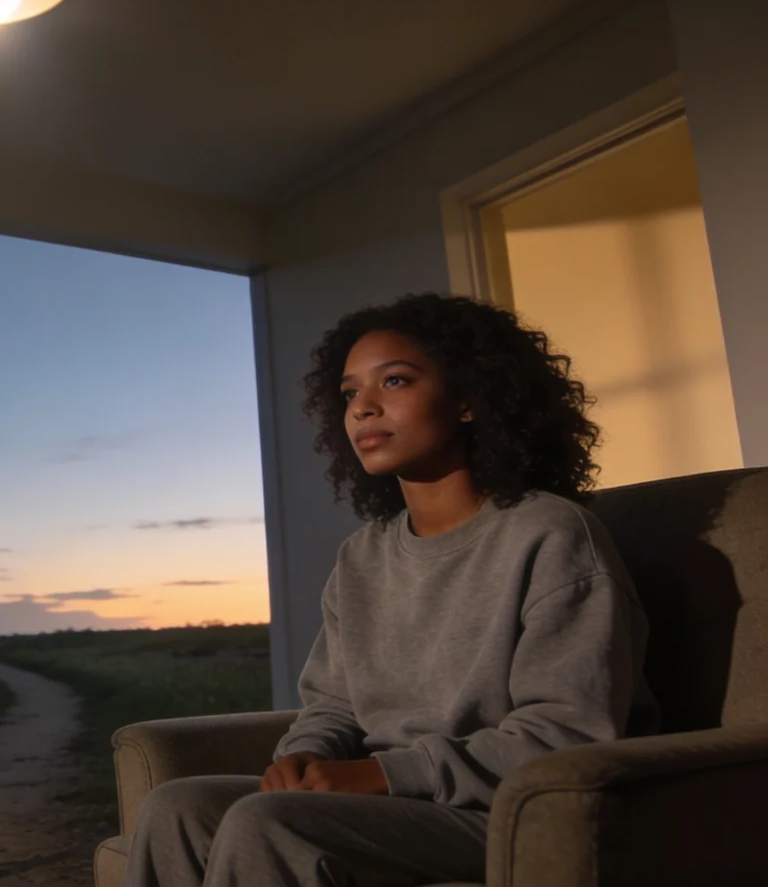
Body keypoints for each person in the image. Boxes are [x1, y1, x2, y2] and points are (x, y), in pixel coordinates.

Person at [126, 293, 658, 886]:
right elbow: (333, 703)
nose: (363, 409)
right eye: (350, 393)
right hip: (392, 801)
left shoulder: (551, 534)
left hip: (510, 811)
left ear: (468, 399)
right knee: (178, 807)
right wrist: (305, 756)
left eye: (395, 381)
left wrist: (382, 775)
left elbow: (568, 734)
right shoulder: (362, 555)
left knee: (269, 823)